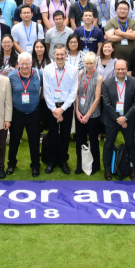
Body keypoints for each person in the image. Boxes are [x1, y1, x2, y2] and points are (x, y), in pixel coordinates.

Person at [100, 59, 135, 181]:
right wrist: (118, 118)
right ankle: (107, 169)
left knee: (131, 144)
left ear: (127, 69)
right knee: (108, 145)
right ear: (115, 69)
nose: (120, 71)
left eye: (123, 69)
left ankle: (133, 168)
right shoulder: (107, 83)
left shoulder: (134, 81)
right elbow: (106, 104)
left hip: (128, 119)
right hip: (112, 119)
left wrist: (125, 117)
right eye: (118, 69)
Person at [41, 46, 78, 174]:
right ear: (53, 54)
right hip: (51, 107)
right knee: (52, 134)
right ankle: (51, 160)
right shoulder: (47, 69)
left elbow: (73, 92)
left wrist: (62, 109)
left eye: (62, 54)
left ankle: (63, 160)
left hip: (66, 106)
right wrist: (55, 110)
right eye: (57, 54)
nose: (60, 57)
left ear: (66, 55)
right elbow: (46, 91)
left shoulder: (73, 70)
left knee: (65, 135)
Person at [7, 55, 45, 177]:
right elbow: (8, 95)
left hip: (34, 113)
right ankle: (11, 164)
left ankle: (35, 165)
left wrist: (38, 101)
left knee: (34, 141)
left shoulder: (38, 74)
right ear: (18, 64)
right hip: (17, 113)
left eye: (27, 63)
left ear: (31, 63)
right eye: (22, 64)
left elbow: (44, 90)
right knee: (14, 141)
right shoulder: (11, 76)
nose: (24, 66)